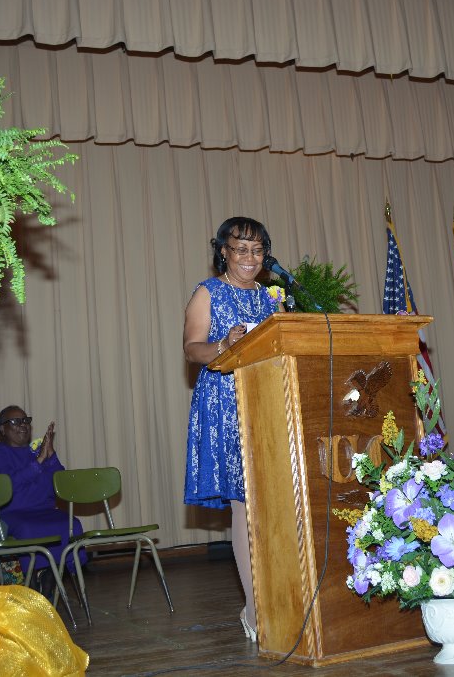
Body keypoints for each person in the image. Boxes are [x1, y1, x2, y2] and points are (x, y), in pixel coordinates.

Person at [183, 216, 280, 642]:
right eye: (240, 249)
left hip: (271, 402)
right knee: (246, 504)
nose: (249, 258)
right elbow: (192, 348)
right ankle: (255, 611)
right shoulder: (208, 292)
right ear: (223, 251)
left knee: (273, 505)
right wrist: (223, 345)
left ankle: (284, 599)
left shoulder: (274, 298)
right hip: (225, 403)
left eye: (257, 250)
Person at [0, 405, 83, 593]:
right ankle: (31, 584)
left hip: (44, 512)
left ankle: (50, 575)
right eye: (15, 421)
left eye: (26, 420)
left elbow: (61, 484)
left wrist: (51, 455)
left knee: (72, 524)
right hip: (11, 514)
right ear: (2, 429)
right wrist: (38, 463)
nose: (23, 425)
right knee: (28, 528)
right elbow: (6, 485)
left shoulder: (38, 451)